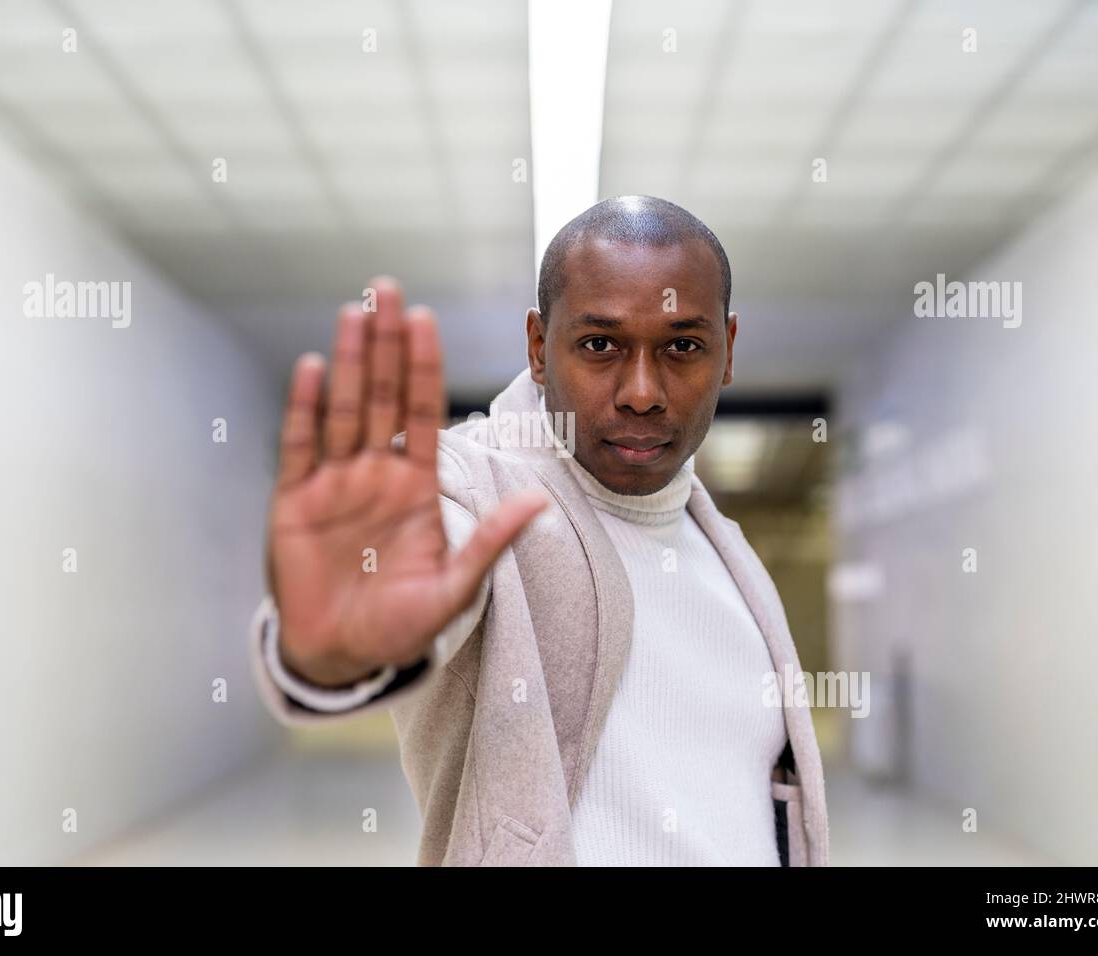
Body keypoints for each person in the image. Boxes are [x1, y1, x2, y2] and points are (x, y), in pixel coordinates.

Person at [248, 195, 828, 866]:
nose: (642, 390)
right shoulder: (473, 489)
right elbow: (433, 556)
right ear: (538, 347)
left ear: (727, 351)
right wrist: (344, 639)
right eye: (600, 345)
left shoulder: (728, 554)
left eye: (682, 346)